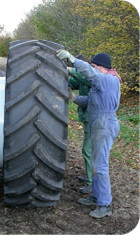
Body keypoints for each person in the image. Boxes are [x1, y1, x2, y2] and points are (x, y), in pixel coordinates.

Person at [57, 50, 121, 219]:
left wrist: (72, 61)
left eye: (94, 66)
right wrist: (73, 98)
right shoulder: (101, 84)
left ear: (102, 67)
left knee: (100, 165)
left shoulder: (110, 80)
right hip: (98, 123)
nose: (93, 69)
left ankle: (105, 204)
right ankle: (96, 196)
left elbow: (91, 75)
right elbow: (89, 101)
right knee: (95, 163)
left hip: (105, 124)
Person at [68, 54, 92, 194]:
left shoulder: (91, 78)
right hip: (88, 118)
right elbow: (72, 82)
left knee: (88, 151)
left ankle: (91, 182)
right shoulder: (82, 78)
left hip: (92, 119)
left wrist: (70, 70)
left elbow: (85, 79)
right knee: (88, 151)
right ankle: (90, 176)